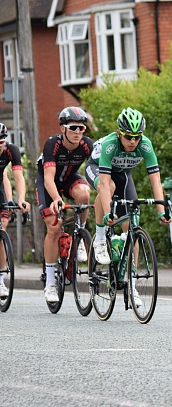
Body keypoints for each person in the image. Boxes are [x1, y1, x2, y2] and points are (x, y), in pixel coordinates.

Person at [87, 108, 171, 308]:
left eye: (137, 136)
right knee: (107, 189)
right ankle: (100, 238)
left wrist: (161, 210)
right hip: (98, 169)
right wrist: (108, 213)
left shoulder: (145, 146)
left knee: (132, 225)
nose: (133, 141)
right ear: (119, 133)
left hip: (124, 175)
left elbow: (156, 180)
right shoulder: (109, 145)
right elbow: (106, 184)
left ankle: (131, 282)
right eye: (128, 137)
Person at [36, 107, 93, 303]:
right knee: (54, 226)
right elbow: (49, 179)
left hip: (69, 179)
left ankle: (80, 235)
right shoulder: (52, 144)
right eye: (74, 128)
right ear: (63, 129)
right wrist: (57, 199)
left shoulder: (87, 145)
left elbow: (99, 171)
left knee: (85, 194)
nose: (78, 132)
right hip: (48, 183)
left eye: (82, 128)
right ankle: (50, 281)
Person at [0, 123, 31, 298]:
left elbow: (17, 176)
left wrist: (20, 200)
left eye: (1, 142)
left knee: (2, 227)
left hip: (0, 186)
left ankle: (0, 279)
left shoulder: (11, 150)